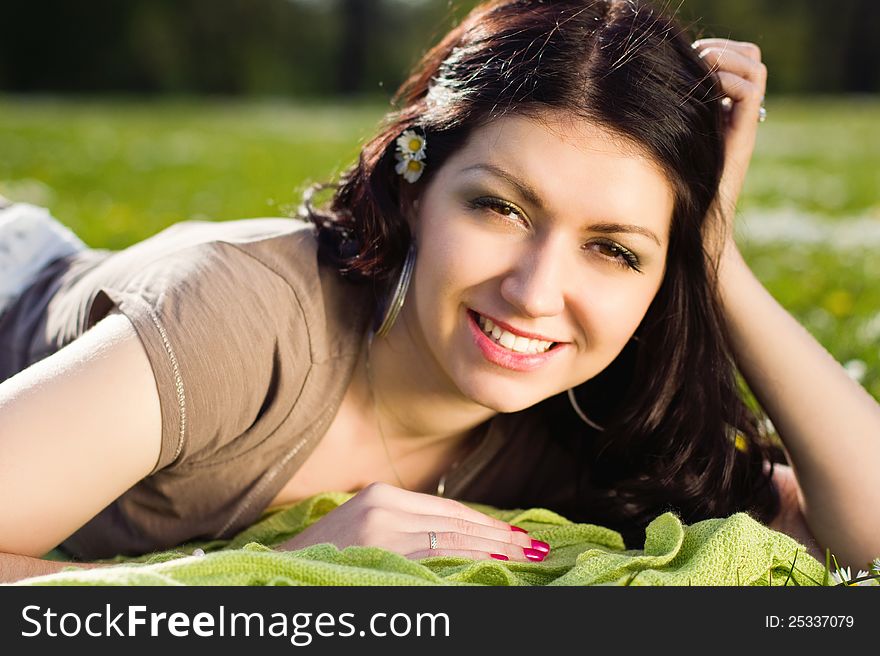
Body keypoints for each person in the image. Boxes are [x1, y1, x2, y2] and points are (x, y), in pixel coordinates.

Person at [1, 0, 878, 584]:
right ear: (417, 187)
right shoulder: (237, 327)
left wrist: (715, 260)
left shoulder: (585, 418)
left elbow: (862, 540)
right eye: (499, 207)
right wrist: (273, 578)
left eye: (614, 250)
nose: (537, 294)